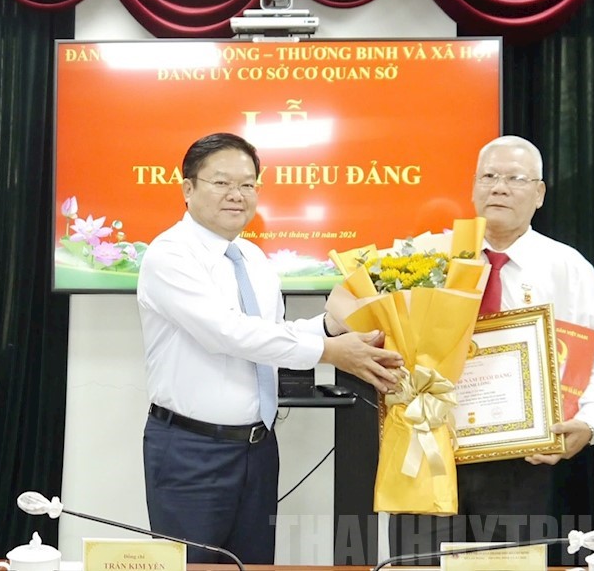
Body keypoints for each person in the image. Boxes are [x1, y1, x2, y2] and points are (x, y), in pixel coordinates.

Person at [137, 132, 404, 564]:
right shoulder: (170, 255)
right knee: (194, 567)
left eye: (247, 184)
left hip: (258, 449)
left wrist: (332, 325)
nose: (236, 195)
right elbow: (228, 333)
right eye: (222, 183)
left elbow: (271, 333)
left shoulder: (253, 259)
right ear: (188, 188)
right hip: (191, 452)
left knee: (256, 564)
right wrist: (329, 351)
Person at [390, 134, 594, 555]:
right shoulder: (429, 257)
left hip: (520, 461)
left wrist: (593, 422)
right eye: (489, 177)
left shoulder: (566, 266)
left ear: (539, 194)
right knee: (419, 563)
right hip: (429, 449)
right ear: (473, 188)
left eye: (515, 178)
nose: (499, 187)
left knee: (508, 563)